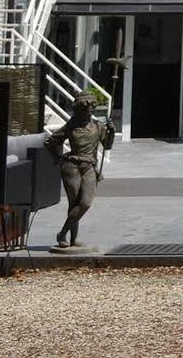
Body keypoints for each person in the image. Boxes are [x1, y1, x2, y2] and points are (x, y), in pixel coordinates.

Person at [44, 90, 113, 250]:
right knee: (74, 203)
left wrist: (112, 131)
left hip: (89, 168)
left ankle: (62, 233)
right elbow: (51, 142)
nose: (88, 113)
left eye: (90, 110)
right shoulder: (71, 125)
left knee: (85, 203)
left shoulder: (98, 126)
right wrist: (58, 159)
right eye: (84, 111)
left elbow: (107, 145)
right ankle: (73, 240)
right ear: (78, 110)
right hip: (71, 167)